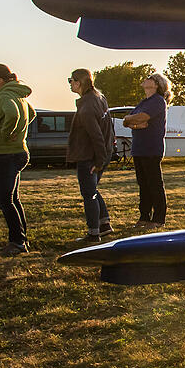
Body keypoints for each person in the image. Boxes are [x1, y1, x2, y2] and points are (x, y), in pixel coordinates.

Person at [0, 64, 36, 254]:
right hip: (19, 151)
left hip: (8, 153)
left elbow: (13, 114)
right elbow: (32, 114)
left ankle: (17, 242)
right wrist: (20, 133)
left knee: (3, 198)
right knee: (12, 198)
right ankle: (21, 239)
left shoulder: (4, 95)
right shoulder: (17, 94)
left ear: (0, 79)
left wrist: (7, 133)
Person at [67, 69, 115, 242]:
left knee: (88, 193)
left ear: (79, 82)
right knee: (92, 189)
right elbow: (107, 129)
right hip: (101, 153)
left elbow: (96, 135)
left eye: (71, 80)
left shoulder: (87, 107)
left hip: (89, 156)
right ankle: (104, 224)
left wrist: (99, 161)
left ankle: (93, 233)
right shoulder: (99, 98)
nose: (70, 84)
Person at [124, 73, 170, 229]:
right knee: (143, 184)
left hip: (151, 148)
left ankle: (158, 219)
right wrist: (134, 122)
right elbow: (127, 121)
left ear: (156, 84)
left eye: (150, 77)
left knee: (154, 184)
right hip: (139, 148)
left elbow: (142, 117)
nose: (146, 79)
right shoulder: (143, 102)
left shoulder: (158, 101)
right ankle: (144, 217)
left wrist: (133, 120)